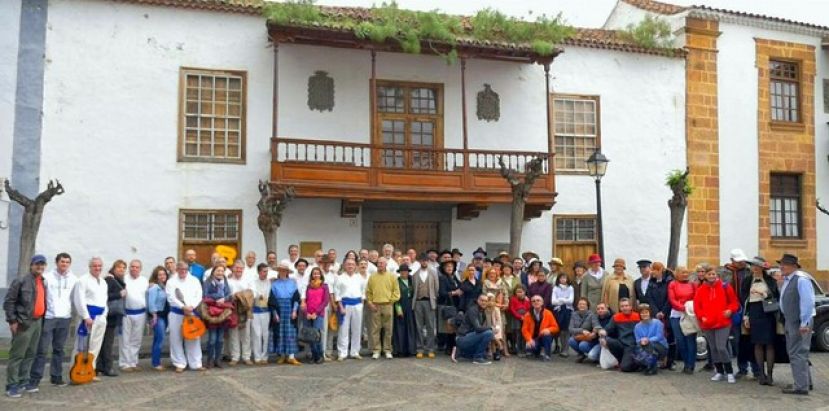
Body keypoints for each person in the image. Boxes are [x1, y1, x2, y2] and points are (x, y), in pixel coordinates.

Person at [30, 252, 76, 389]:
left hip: (65, 318)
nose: (64, 264)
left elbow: (76, 297)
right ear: (56, 262)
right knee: (42, 350)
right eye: (62, 261)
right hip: (49, 318)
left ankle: (56, 377)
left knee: (59, 350)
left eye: (67, 262)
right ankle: (34, 379)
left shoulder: (74, 279)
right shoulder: (46, 277)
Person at [4, 255, 48, 398]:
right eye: (37, 264)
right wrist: (12, 321)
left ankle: (23, 381)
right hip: (23, 322)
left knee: (30, 354)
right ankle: (11, 385)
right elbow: (9, 302)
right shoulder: (21, 281)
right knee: (17, 355)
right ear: (31, 265)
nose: (40, 267)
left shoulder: (42, 281)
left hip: (37, 322)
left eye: (42, 264)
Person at [777, 253, 815, 395]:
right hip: (791, 320)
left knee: (797, 353)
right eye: (781, 264)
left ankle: (800, 386)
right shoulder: (789, 279)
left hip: (798, 321)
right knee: (798, 352)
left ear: (793, 266)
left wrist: (804, 322)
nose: (781, 267)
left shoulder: (801, 279)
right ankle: (805, 382)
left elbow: (807, 302)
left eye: (784, 264)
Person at [694, 265, 739, 384]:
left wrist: (730, 310)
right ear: (705, 276)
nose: (711, 276)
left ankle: (729, 372)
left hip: (723, 322)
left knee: (721, 347)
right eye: (709, 274)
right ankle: (719, 371)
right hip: (708, 323)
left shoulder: (725, 287)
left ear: (717, 275)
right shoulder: (700, 289)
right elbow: (697, 306)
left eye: (713, 274)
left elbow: (734, 302)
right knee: (713, 348)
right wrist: (701, 317)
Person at [742, 257, 780, 386]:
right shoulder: (747, 281)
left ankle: (770, 375)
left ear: (762, 268)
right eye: (753, 265)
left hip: (767, 312)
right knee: (757, 343)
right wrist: (746, 316)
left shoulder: (770, 280)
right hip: (754, 312)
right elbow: (744, 300)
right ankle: (761, 375)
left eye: (757, 266)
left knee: (769, 344)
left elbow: (775, 298)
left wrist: (762, 293)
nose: (755, 268)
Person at [72, 257, 109, 379]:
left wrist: (104, 314)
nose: (97, 268)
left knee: (95, 346)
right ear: (90, 267)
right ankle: (76, 372)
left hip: (101, 317)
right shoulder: (83, 280)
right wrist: (86, 316)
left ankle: (90, 371)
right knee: (82, 346)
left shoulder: (103, 282)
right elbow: (79, 300)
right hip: (88, 317)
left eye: (99, 266)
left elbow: (104, 300)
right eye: (95, 266)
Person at [166, 261, 205, 372]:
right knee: (176, 338)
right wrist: (183, 307)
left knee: (193, 336)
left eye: (185, 269)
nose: (183, 271)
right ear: (177, 269)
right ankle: (179, 363)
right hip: (176, 313)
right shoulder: (171, 282)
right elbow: (171, 297)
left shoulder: (194, 280)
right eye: (181, 269)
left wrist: (192, 306)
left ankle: (196, 363)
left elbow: (199, 295)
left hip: (191, 312)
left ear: (188, 270)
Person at [727, 248, 758, 379]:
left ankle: (756, 369)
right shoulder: (726, 273)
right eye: (738, 261)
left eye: (743, 261)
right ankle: (742, 368)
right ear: (732, 261)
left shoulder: (751, 272)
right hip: (735, 311)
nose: (741, 263)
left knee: (753, 341)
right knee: (738, 342)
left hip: (750, 309)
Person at [365, 257, 400, 359]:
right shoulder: (372, 277)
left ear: (386, 264)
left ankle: (387, 350)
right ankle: (376, 350)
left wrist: (391, 301)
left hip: (388, 305)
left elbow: (396, 291)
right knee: (375, 329)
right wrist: (370, 303)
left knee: (388, 329)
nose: (380, 264)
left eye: (382, 263)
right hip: (375, 305)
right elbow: (368, 292)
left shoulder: (392, 276)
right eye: (379, 263)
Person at [97, 260, 126, 377]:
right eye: (119, 267)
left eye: (123, 268)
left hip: (112, 316)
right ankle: (107, 367)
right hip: (109, 316)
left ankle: (100, 366)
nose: (121, 269)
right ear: (114, 268)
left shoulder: (118, 280)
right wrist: (119, 294)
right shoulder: (110, 280)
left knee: (104, 342)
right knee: (107, 343)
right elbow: (105, 296)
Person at [118, 259, 148, 372]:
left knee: (136, 339)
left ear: (140, 269)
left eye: (137, 267)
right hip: (126, 313)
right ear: (129, 268)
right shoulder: (123, 279)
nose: (134, 269)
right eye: (132, 266)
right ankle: (124, 363)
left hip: (140, 313)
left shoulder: (144, 280)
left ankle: (133, 362)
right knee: (125, 339)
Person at [269, 262, 301, 365]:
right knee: (280, 332)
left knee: (291, 332)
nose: (282, 272)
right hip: (278, 308)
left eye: (284, 270)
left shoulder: (293, 283)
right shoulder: (274, 284)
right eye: (281, 270)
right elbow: (272, 300)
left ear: (287, 272)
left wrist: (295, 310)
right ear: (278, 272)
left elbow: (296, 298)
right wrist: (275, 313)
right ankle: (282, 355)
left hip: (290, 308)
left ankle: (291, 356)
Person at [668, 266, 698, 374]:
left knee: (690, 340)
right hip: (676, 314)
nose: (685, 274)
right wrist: (681, 307)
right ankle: (686, 363)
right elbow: (672, 299)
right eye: (682, 272)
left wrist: (688, 308)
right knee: (680, 340)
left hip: (690, 314)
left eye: (686, 272)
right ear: (677, 274)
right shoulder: (672, 284)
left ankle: (691, 365)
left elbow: (697, 298)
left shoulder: (693, 284)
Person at [598, 298, 641, 372]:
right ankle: (621, 360)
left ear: (631, 307)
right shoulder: (616, 317)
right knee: (608, 340)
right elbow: (607, 329)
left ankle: (638, 363)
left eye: (626, 306)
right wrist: (602, 334)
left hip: (632, 346)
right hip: (621, 343)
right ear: (620, 308)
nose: (624, 308)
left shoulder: (637, 316)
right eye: (622, 306)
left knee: (625, 368)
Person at [202, 265, 231, 369]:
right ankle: (210, 360)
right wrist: (218, 298)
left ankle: (217, 360)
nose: (220, 273)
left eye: (222, 271)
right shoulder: (208, 282)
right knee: (212, 339)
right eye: (218, 271)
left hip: (223, 312)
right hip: (212, 312)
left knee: (220, 339)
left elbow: (229, 295)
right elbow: (205, 296)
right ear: (213, 271)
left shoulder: (225, 282)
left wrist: (224, 299)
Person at [336, 258, 365, 361]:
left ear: (355, 266)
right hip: (345, 304)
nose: (350, 266)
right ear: (344, 266)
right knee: (343, 329)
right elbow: (337, 294)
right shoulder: (339, 278)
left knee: (357, 329)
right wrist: (340, 306)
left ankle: (355, 351)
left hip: (357, 304)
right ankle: (342, 353)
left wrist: (361, 305)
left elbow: (363, 292)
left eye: (352, 264)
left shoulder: (359, 278)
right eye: (348, 264)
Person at [412, 255, 440, 359]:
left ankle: (430, 349)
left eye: (426, 261)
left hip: (429, 302)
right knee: (418, 327)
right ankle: (419, 349)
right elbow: (414, 289)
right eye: (422, 260)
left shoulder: (433, 273)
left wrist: (433, 298)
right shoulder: (415, 275)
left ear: (428, 261)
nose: (424, 262)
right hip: (418, 302)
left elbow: (436, 288)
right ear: (420, 261)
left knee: (430, 327)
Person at [226, 260, 253, 366]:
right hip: (233, 309)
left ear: (243, 269)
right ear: (233, 268)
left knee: (246, 334)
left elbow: (252, 293)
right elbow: (226, 294)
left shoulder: (247, 280)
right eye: (237, 267)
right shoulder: (228, 281)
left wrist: (242, 296)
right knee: (233, 334)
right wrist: (233, 296)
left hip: (245, 310)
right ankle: (235, 357)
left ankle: (246, 357)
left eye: (241, 268)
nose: (238, 270)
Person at [455, 294, 494, 365]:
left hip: (470, 337)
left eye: (486, 301)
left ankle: (463, 353)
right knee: (489, 333)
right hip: (462, 338)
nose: (484, 302)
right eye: (482, 300)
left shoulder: (482, 312)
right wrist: (491, 328)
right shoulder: (473, 310)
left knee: (485, 354)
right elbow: (478, 328)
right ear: (478, 301)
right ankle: (478, 358)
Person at [521, 295, 559, 361]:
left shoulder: (548, 313)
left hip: (544, 337)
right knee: (529, 349)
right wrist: (529, 339)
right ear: (531, 304)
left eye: (538, 300)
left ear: (542, 303)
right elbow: (524, 330)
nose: (536, 302)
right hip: (533, 339)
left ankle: (546, 354)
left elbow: (556, 328)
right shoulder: (527, 315)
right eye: (533, 301)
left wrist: (548, 329)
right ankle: (538, 350)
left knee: (547, 335)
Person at [633, 304, 668, 376]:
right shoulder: (637, 326)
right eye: (642, 313)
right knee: (639, 347)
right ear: (639, 314)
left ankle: (652, 367)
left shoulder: (657, 322)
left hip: (661, 347)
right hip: (645, 346)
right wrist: (641, 341)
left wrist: (648, 340)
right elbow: (637, 340)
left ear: (650, 313)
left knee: (649, 345)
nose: (644, 314)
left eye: (646, 312)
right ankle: (648, 364)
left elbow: (659, 336)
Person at [304, 267, 329, 364]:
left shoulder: (324, 286)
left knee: (316, 335)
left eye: (318, 273)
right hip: (308, 314)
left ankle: (319, 355)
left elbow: (325, 301)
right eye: (314, 273)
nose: (316, 275)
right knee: (310, 336)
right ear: (311, 275)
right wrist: (307, 313)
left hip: (318, 314)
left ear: (321, 275)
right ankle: (314, 356)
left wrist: (316, 313)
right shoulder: (308, 286)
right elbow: (305, 300)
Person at [437, 260, 462, 355]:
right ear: (443, 268)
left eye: (451, 266)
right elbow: (442, 293)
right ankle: (449, 348)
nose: (450, 268)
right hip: (448, 305)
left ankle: (453, 347)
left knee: (454, 326)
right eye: (447, 266)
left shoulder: (455, 277)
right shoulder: (442, 278)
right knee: (448, 327)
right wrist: (454, 293)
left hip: (456, 304)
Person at [392, 264, 418, 357]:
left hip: (410, 306)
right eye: (402, 271)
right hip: (400, 305)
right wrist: (398, 309)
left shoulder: (412, 281)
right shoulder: (396, 281)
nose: (404, 273)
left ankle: (411, 350)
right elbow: (395, 296)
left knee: (410, 328)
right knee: (400, 328)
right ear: (399, 272)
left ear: (408, 272)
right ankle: (400, 350)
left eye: (405, 271)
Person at [147, 266, 169, 371]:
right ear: (156, 276)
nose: (162, 276)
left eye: (164, 274)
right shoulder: (154, 287)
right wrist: (154, 315)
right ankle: (156, 363)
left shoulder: (165, 287)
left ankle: (155, 361)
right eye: (160, 274)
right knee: (160, 339)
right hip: (158, 316)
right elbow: (151, 302)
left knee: (157, 339)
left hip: (165, 316)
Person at [251, 263, 272, 365]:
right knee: (257, 334)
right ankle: (257, 357)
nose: (265, 273)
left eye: (266, 271)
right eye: (264, 271)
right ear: (259, 272)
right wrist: (261, 296)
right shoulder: (253, 282)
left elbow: (268, 295)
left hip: (266, 311)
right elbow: (254, 294)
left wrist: (263, 297)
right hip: (255, 311)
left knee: (266, 334)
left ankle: (265, 356)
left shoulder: (269, 282)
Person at [568, 297, 598, 363]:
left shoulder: (592, 315)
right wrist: (582, 331)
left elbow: (596, 325)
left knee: (582, 345)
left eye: (584, 304)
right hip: (578, 337)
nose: (582, 305)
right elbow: (570, 329)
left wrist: (593, 332)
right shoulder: (573, 314)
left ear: (587, 306)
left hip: (588, 339)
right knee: (570, 340)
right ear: (577, 306)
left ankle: (594, 356)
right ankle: (582, 354)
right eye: (580, 304)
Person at [550, 273, 574, 357]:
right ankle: (559, 347)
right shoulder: (555, 288)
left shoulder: (570, 288)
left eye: (565, 278)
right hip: (558, 311)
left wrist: (559, 299)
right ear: (558, 279)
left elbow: (571, 301)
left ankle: (565, 349)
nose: (563, 279)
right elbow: (553, 301)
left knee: (566, 330)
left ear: (567, 279)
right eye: (561, 278)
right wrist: (564, 299)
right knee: (559, 330)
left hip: (568, 311)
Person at [509, 286, 531, 357]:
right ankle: (518, 350)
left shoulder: (527, 299)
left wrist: (525, 316)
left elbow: (528, 308)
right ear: (515, 292)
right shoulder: (513, 299)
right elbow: (512, 309)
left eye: (521, 292)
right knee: (518, 334)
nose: (519, 293)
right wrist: (519, 316)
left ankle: (524, 349)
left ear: (524, 292)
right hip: (516, 318)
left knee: (524, 333)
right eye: (518, 292)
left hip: (525, 318)